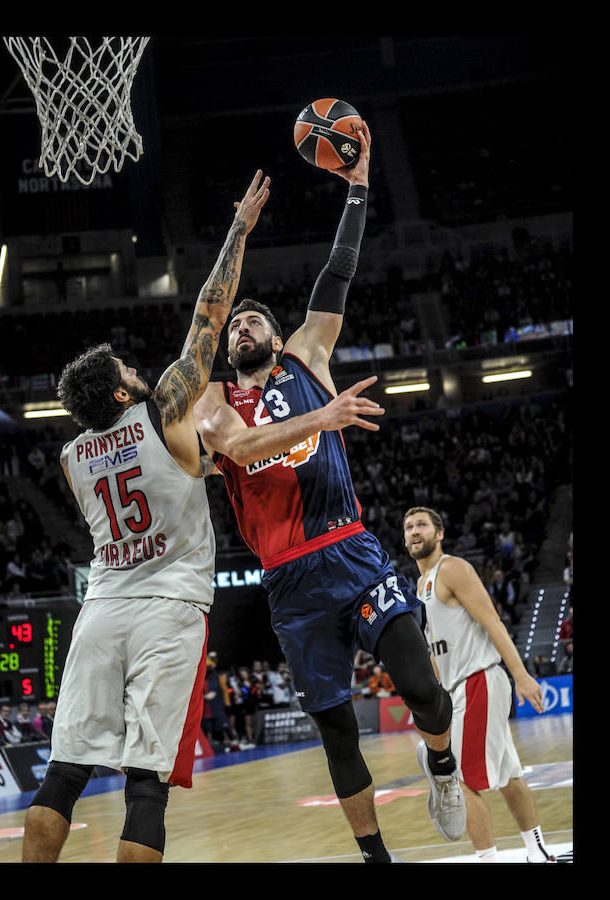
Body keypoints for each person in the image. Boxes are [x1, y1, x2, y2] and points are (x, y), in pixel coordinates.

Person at [194, 122, 465, 864]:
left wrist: (356, 186)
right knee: (336, 730)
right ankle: (377, 858)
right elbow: (240, 449)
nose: (241, 325)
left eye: (254, 320)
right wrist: (323, 416)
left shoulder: (307, 358)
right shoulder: (214, 400)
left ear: (279, 341)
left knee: (423, 691)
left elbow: (337, 274)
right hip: (289, 580)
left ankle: (439, 763)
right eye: (234, 323)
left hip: (350, 549)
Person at [20, 168, 272, 864]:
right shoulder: (162, 412)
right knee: (145, 785)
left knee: (63, 773)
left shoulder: (73, 456)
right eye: (130, 369)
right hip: (167, 608)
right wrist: (237, 230)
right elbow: (208, 318)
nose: (140, 370)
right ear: (125, 390)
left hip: (101, 608)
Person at [402, 505, 557, 863]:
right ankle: (537, 851)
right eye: (408, 527)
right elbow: (433, 654)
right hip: (458, 690)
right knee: (509, 774)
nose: (414, 531)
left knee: (458, 780)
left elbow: (493, 622)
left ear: (439, 534)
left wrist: (521, 675)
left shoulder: (452, 569)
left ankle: (487, 858)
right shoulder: (419, 588)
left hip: (478, 681)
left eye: (422, 525)